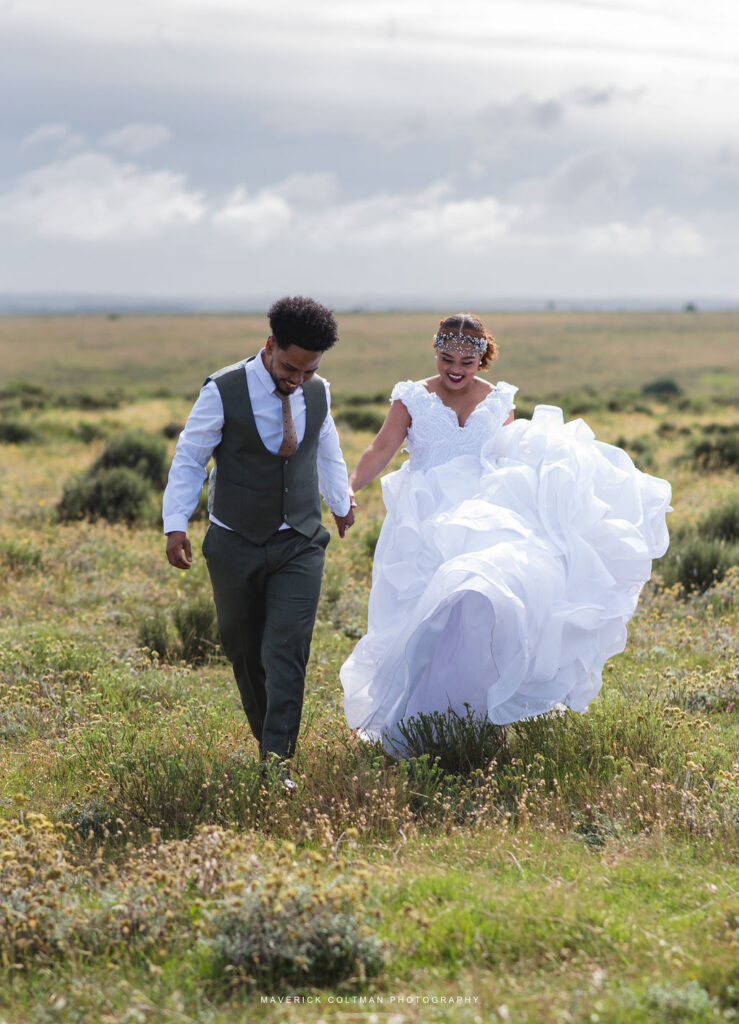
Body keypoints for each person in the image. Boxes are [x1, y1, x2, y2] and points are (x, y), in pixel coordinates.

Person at [340, 313, 671, 755]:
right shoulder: (411, 398)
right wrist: (347, 489)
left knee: (480, 604)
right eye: (446, 358)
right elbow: (381, 448)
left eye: (466, 361)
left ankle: (473, 717)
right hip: (423, 518)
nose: (455, 369)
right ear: (435, 353)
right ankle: (412, 721)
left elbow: (509, 455)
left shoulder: (499, 402)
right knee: (422, 614)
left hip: (484, 512)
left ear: (483, 359)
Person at [163, 296, 355, 788]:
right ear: (270, 345)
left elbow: (325, 446)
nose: (298, 380)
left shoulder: (318, 392)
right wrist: (175, 523)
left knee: (286, 648)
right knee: (245, 651)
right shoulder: (222, 390)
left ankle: (277, 764)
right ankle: (269, 740)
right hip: (234, 542)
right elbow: (190, 458)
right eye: (290, 368)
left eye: (309, 371)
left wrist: (340, 500)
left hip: (300, 541)